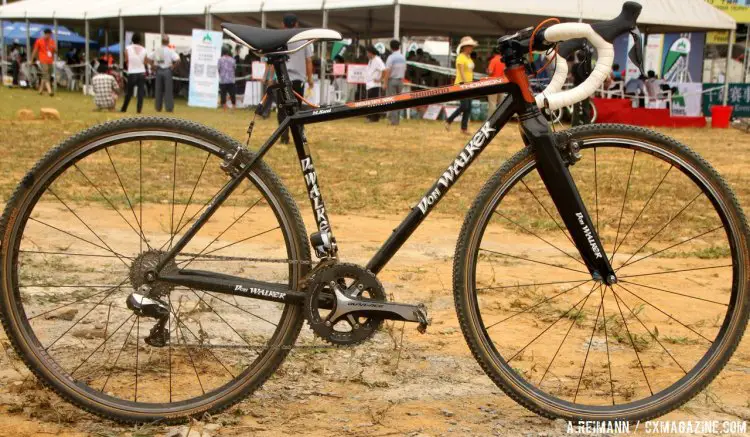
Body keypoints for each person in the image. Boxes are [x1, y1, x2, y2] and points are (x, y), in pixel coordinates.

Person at [264, 13, 314, 144]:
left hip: (282, 79)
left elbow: (274, 60)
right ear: (296, 24)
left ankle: (284, 137)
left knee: (282, 109)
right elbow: (308, 61)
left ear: (282, 24)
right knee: (297, 109)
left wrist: (270, 78)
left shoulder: (280, 40)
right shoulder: (304, 40)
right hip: (298, 80)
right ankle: (299, 136)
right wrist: (310, 78)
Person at [445, 36, 478, 134]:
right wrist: (465, 83)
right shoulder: (460, 57)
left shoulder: (468, 58)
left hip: (469, 84)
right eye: (469, 46)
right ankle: (448, 120)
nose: (471, 48)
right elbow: (461, 72)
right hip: (461, 84)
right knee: (464, 106)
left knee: (468, 107)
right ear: (464, 47)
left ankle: (464, 128)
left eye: (472, 46)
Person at [148, 34, 180, 112]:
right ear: (168, 42)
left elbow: (148, 58)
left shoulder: (158, 50)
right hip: (167, 71)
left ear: (161, 41)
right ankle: (169, 108)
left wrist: (152, 66)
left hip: (159, 70)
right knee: (168, 90)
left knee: (158, 89)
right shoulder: (170, 51)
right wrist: (173, 66)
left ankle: (158, 107)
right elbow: (178, 60)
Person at [121, 33, 147, 113]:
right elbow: (145, 62)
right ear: (140, 40)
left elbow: (126, 60)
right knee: (140, 93)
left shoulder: (127, 48)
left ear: (132, 39)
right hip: (141, 72)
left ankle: (124, 108)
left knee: (129, 92)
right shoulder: (144, 49)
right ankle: (139, 110)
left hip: (132, 72)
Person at [382, 39, 406, 126]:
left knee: (392, 101)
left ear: (391, 47)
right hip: (400, 81)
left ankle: (393, 121)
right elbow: (404, 69)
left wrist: (384, 83)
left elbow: (387, 71)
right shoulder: (402, 57)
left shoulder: (391, 57)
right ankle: (396, 120)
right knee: (398, 101)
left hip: (392, 81)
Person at [31, 28, 56, 96]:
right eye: (49, 34)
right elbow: (35, 50)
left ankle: (40, 90)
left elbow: (55, 51)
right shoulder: (39, 41)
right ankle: (50, 91)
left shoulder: (52, 41)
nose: (50, 36)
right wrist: (31, 60)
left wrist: (53, 48)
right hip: (43, 60)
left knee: (46, 75)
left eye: (50, 35)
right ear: (45, 34)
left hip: (50, 61)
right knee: (46, 74)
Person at [364, 45, 385, 122]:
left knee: (374, 102)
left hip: (375, 85)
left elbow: (384, 70)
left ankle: (373, 118)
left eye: (367, 53)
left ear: (370, 53)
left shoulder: (377, 60)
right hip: (369, 84)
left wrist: (380, 79)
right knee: (371, 101)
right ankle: (372, 117)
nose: (366, 55)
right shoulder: (370, 60)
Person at [486, 46, 506, 116]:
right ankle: (500, 119)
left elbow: (490, 72)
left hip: (493, 83)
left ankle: (490, 120)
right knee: (501, 103)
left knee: (492, 103)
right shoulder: (503, 60)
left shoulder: (493, 60)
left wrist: (487, 70)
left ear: (493, 53)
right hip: (502, 83)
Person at [218, 45, 237, 110]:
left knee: (223, 94)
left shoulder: (220, 59)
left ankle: (224, 107)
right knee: (232, 93)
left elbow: (218, 69)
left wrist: (221, 74)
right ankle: (234, 106)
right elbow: (235, 68)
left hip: (223, 80)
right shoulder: (233, 60)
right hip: (231, 80)